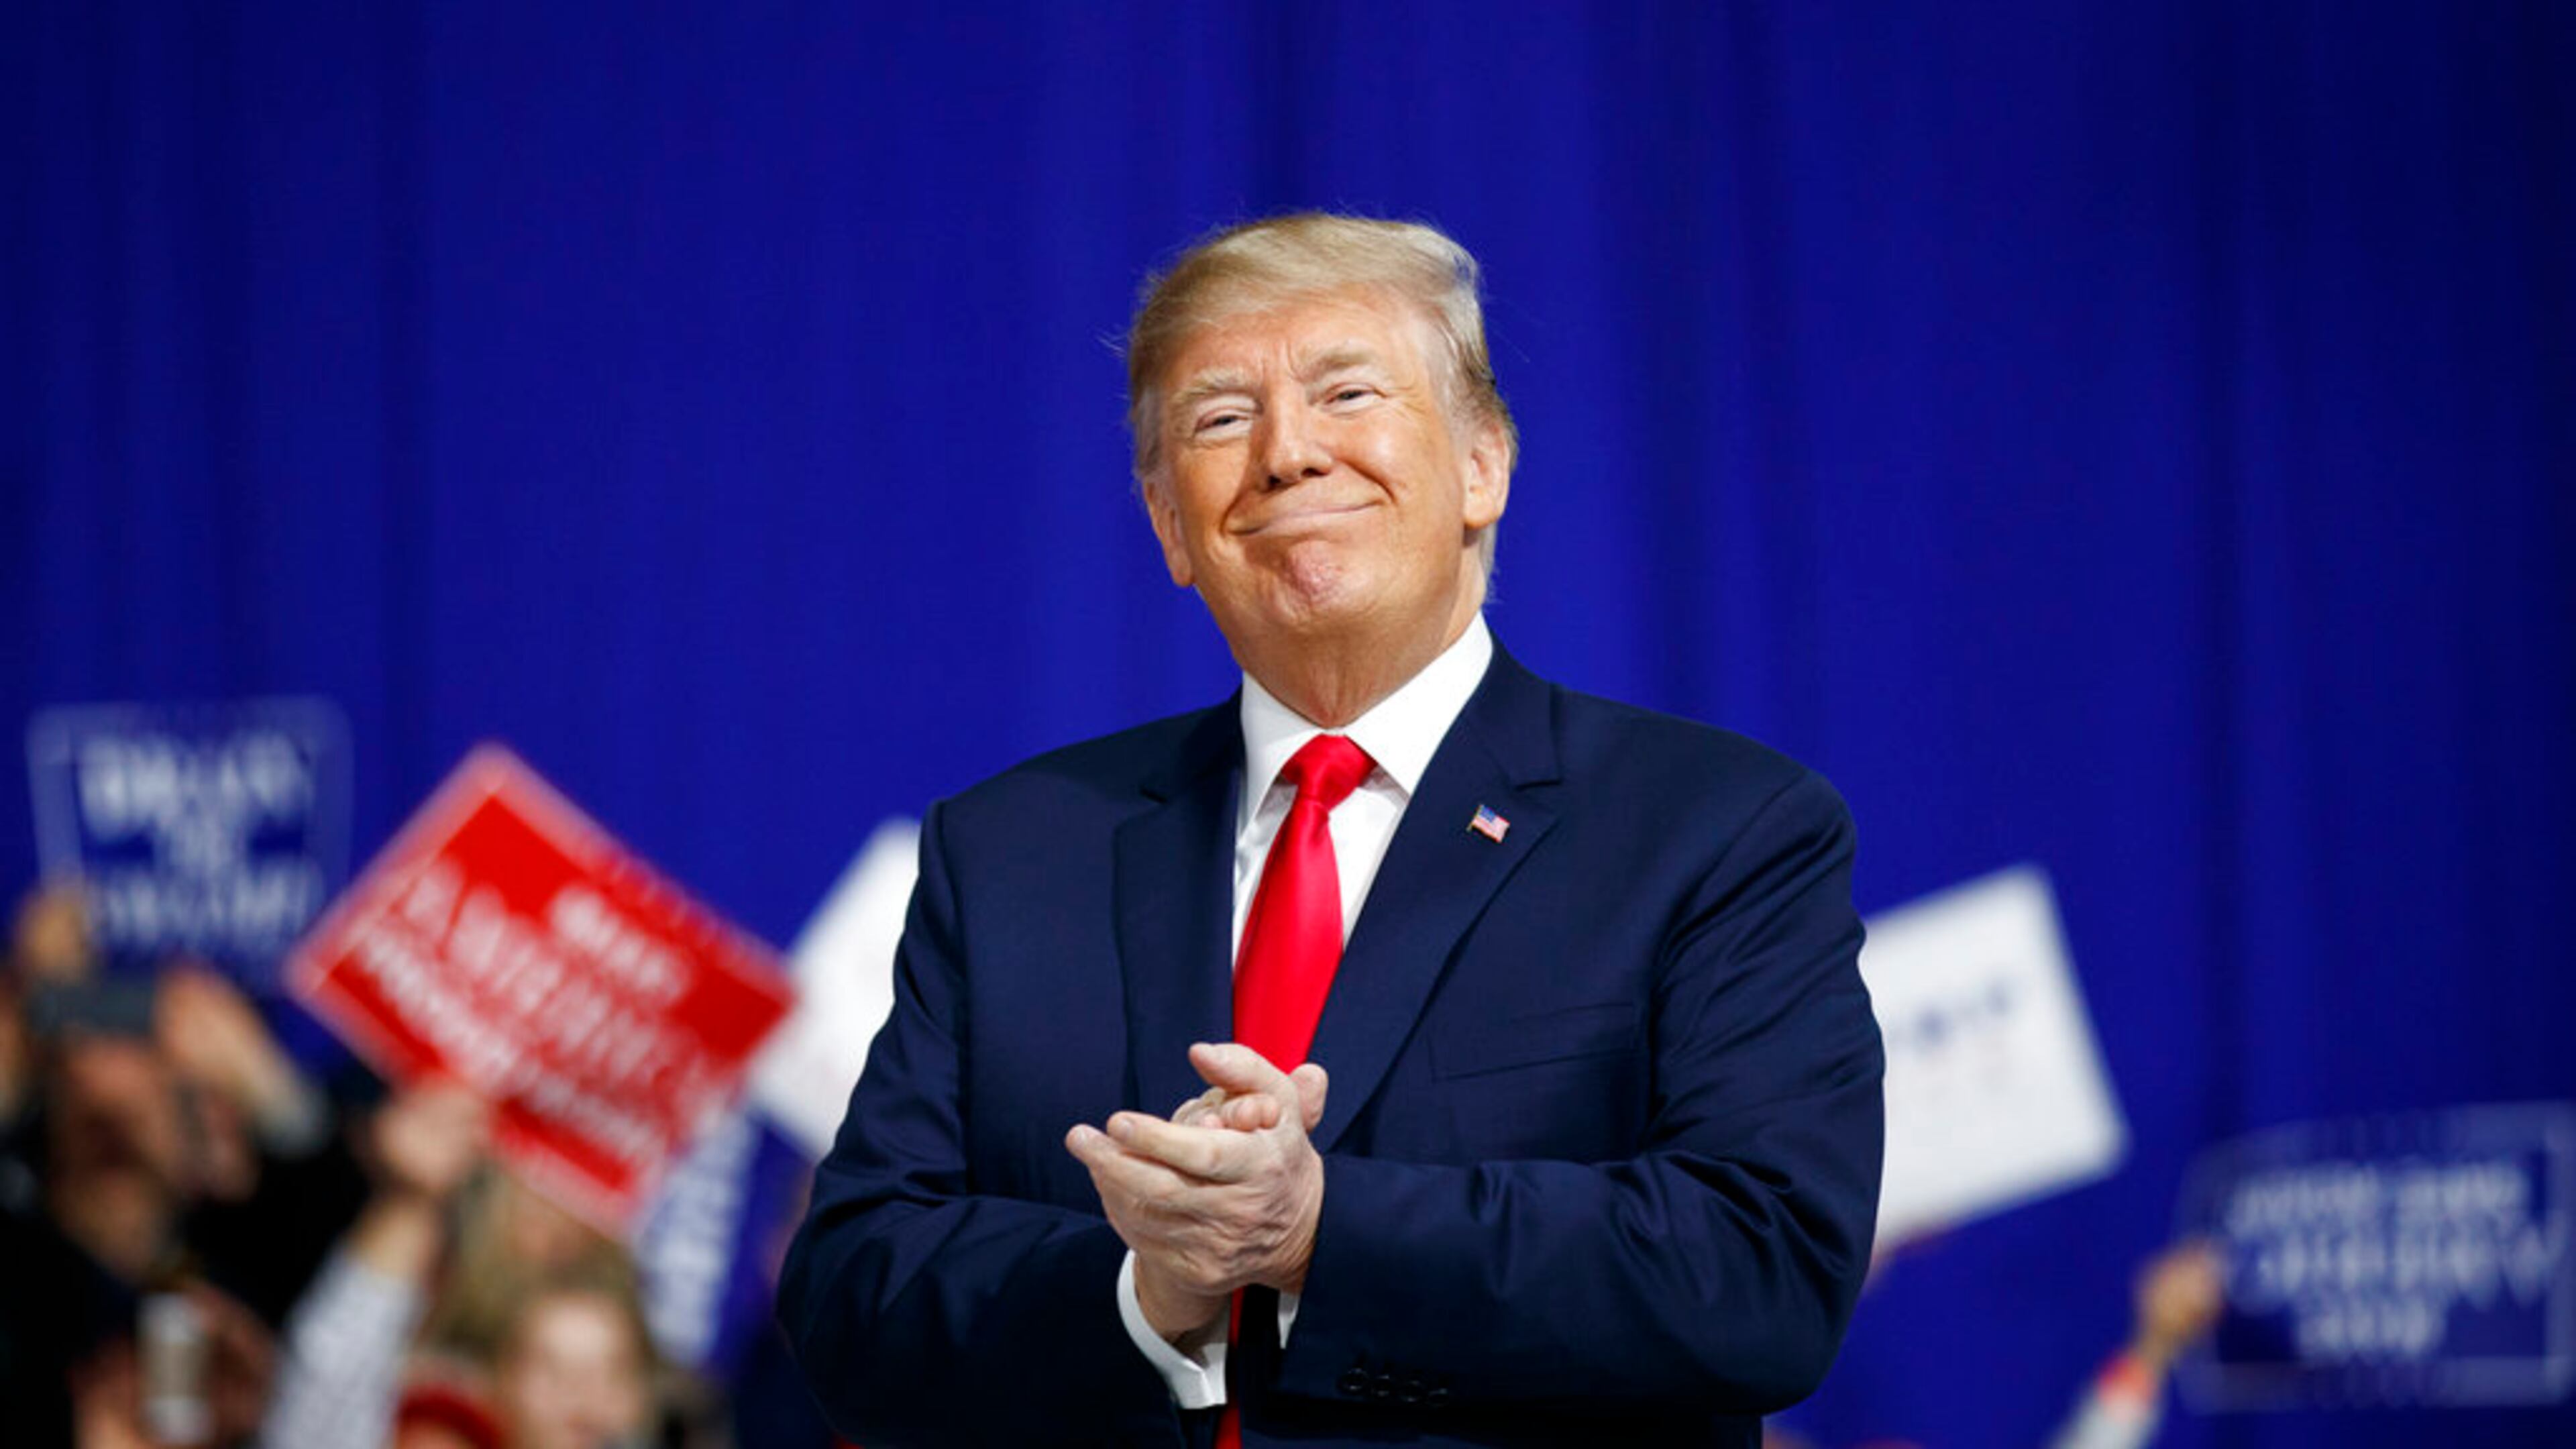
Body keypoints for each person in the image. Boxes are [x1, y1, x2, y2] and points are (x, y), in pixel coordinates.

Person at [779, 213, 1884, 1447]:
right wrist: (1150, 1291)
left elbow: (1764, 1276)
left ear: (1483, 466)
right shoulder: (1014, 850)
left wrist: (1319, 1232)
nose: (1286, 453)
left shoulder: (1719, 831)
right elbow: (852, 1298)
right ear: (1167, 524)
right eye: (1218, 418)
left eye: (1346, 391)